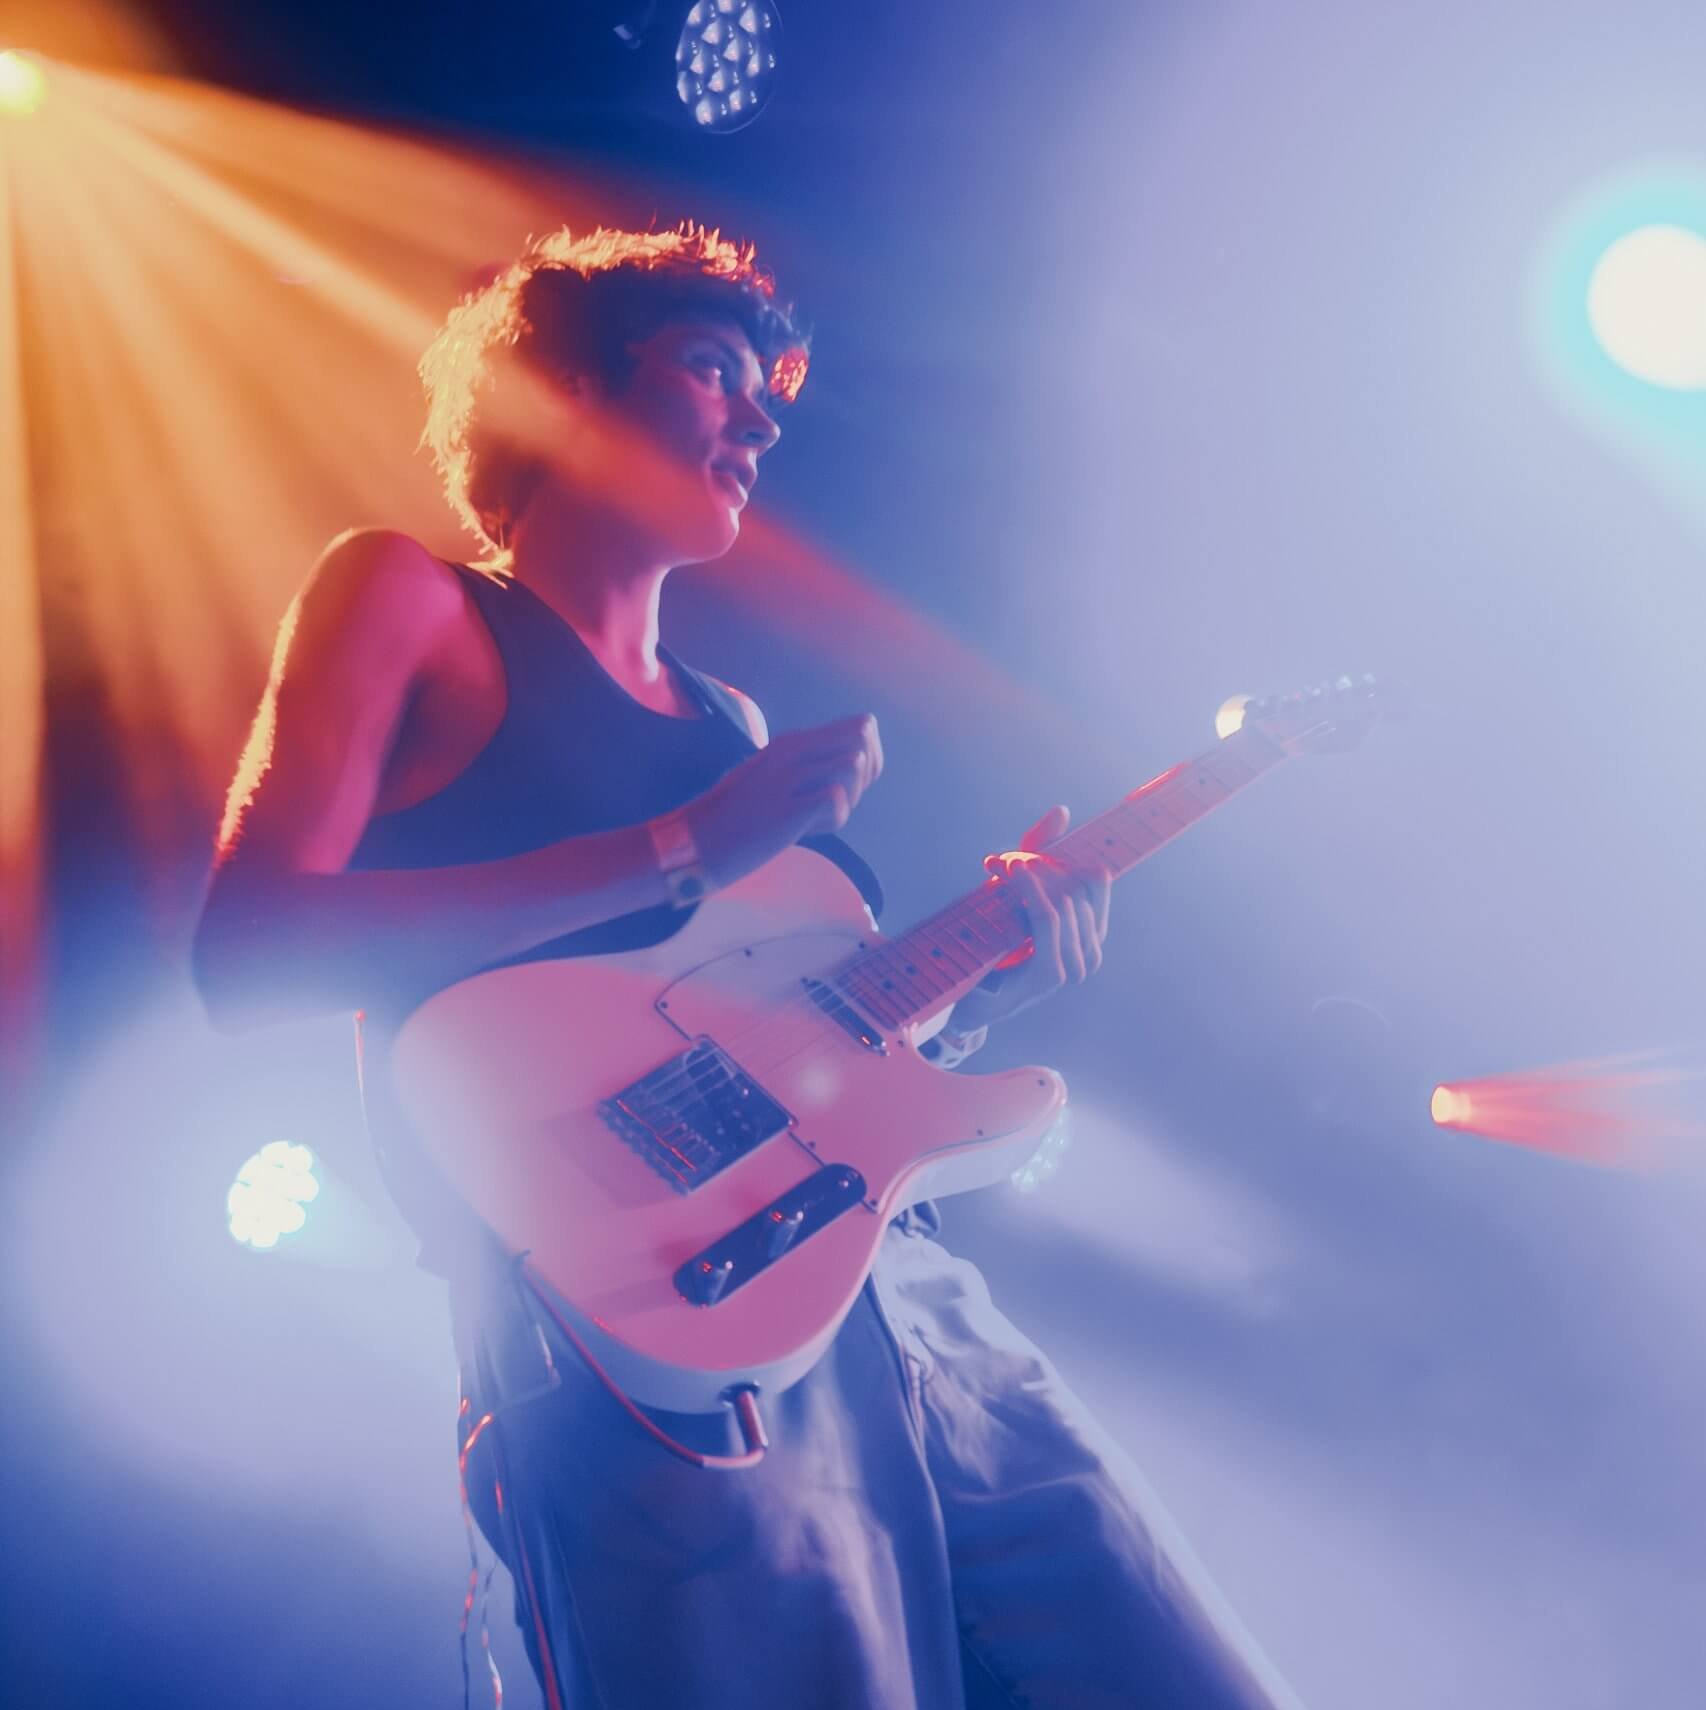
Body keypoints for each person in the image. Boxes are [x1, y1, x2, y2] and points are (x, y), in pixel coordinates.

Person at [193, 223, 1300, 1709]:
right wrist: (678, 847)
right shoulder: (413, 602)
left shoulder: (728, 718)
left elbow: (807, 1058)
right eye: (713, 370)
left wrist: (996, 964)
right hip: (642, 1331)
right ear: (562, 392)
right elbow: (245, 947)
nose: (764, 416)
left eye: (767, 386)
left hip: (901, 1292)